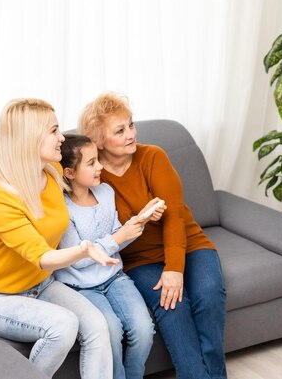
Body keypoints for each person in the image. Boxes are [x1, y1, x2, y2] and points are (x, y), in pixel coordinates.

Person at [80, 92, 228, 379]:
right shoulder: (93, 174)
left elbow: (173, 215)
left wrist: (174, 268)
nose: (131, 134)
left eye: (131, 125)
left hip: (189, 244)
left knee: (209, 294)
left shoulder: (153, 156)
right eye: (119, 130)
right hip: (139, 260)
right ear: (98, 141)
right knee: (172, 304)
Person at [0, 98, 116, 378]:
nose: (62, 137)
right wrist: (83, 250)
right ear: (29, 139)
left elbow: (91, 178)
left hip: (41, 284)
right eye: (54, 131)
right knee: (63, 325)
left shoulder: (51, 174)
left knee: (97, 325)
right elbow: (42, 257)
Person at [55, 134, 164, 379]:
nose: (100, 167)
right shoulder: (61, 208)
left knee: (144, 329)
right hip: (81, 287)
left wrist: (139, 221)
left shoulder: (105, 192)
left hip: (114, 277)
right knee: (111, 332)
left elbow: (117, 237)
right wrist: (119, 237)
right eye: (92, 163)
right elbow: (78, 258)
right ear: (70, 173)